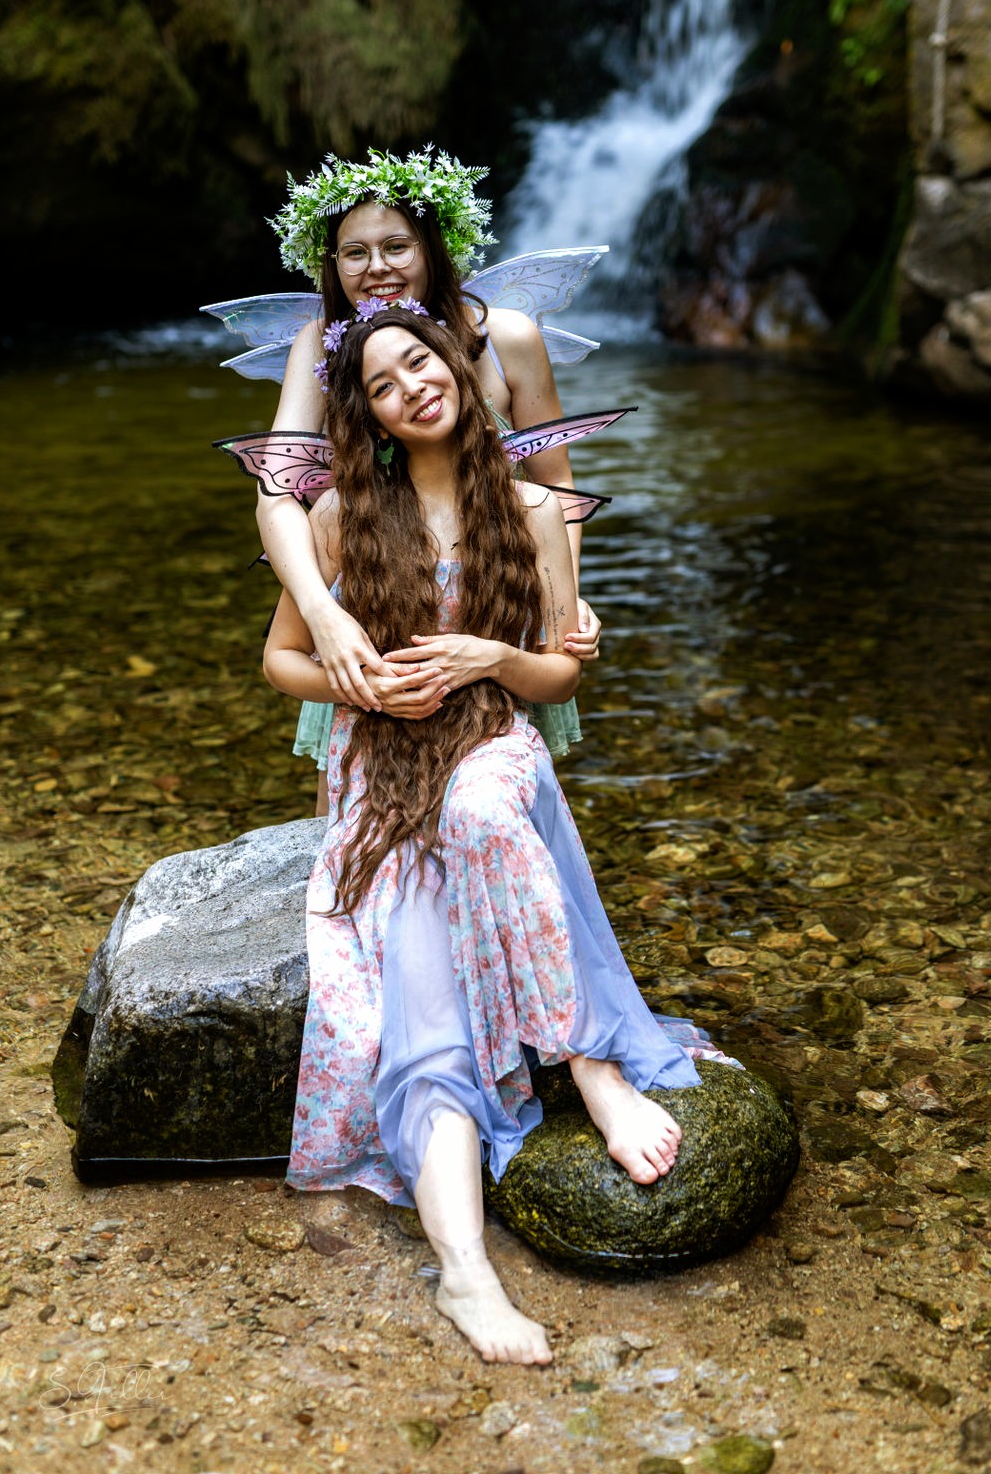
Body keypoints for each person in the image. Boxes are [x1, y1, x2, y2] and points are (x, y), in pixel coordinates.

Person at [262, 309, 734, 1366]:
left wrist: (484, 654)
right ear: (368, 415)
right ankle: (466, 1279)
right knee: (422, 1032)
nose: (409, 389)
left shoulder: (530, 503)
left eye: (420, 363)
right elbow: (279, 660)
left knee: (478, 809)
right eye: (381, 384)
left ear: (461, 371)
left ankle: (587, 1064)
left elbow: (561, 671)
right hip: (384, 774)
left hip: (494, 750)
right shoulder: (342, 513)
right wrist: (357, 680)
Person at [259, 148, 601, 813]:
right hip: (379, 605)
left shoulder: (508, 338)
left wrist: (564, 602)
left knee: (489, 804)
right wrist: (323, 615)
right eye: (353, 253)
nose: (377, 267)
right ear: (329, 265)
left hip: (492, 600)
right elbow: (277, 494)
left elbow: (554, 483)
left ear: (434, 248)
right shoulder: (319, 347)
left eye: (396, 246)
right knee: (370, 812)